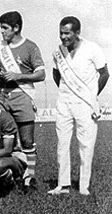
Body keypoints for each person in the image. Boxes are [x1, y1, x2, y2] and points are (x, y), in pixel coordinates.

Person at [48, 16, 109, 196]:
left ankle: (84, 186)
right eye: (61, 33)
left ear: (77, 33)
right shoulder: (58, 51)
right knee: (62, 145)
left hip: (86, 104)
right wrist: (67, 92)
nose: (63, 37)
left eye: (67, 33)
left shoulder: (92, 48)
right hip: (64, 103)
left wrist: (91, 95)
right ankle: (63, 185)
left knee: (86, 146)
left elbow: (104, 74)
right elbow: (56, 74)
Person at [0, 11, 45, 192]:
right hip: (2, 96)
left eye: (5, 28)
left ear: (16, 28)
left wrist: (18, 75)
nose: (2, 32)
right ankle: (4, 177)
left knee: (27, 141)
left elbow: (41, 74)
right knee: (1, 141)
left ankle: (29, 180)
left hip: (22, 96)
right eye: (1, 28)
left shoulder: (30, 47)